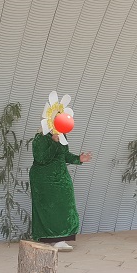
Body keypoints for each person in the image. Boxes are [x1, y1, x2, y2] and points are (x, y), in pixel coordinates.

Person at [31, 91, 91, 251]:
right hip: (44, 180)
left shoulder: (62, 136)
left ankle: (60, 238)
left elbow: (64, 156)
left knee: (65, 206)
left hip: (61, 178)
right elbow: (41, 158)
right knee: (48, 207)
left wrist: (79, 158)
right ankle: (50, 238)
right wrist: (53, 142)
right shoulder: (40, 138)